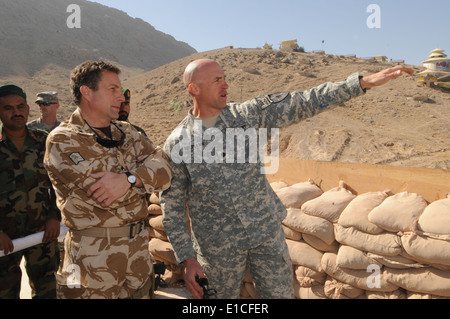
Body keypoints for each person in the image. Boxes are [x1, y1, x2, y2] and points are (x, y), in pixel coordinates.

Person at [160, 58, 414, 299]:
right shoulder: (179, 143)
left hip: (266, 235)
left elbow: (304, 101)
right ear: (194, 88)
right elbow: (171, 207)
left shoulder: (247, 115)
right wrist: (187, 259)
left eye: (224, 78)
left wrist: (360, 83)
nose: (225, 84)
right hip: (217, 249)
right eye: (217, 80)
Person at [43, 61, 173, 299]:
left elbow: (166, 168)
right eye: (112, 89)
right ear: (87, 92)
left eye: (121, 90)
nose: (121, 97)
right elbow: (103, 195)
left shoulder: (128, 132)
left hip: (138, 259)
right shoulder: (63, 139)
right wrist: (144, 179)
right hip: (92, 262)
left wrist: (129, 178)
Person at [0, 84, 61, 299]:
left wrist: (54, 217)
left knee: (47, 292)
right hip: (5, 240)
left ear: (27, 108)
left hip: (42, 233)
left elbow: (58, 184)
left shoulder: (44, 141)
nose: (16, 112)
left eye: (20, 106)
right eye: (8, 108)